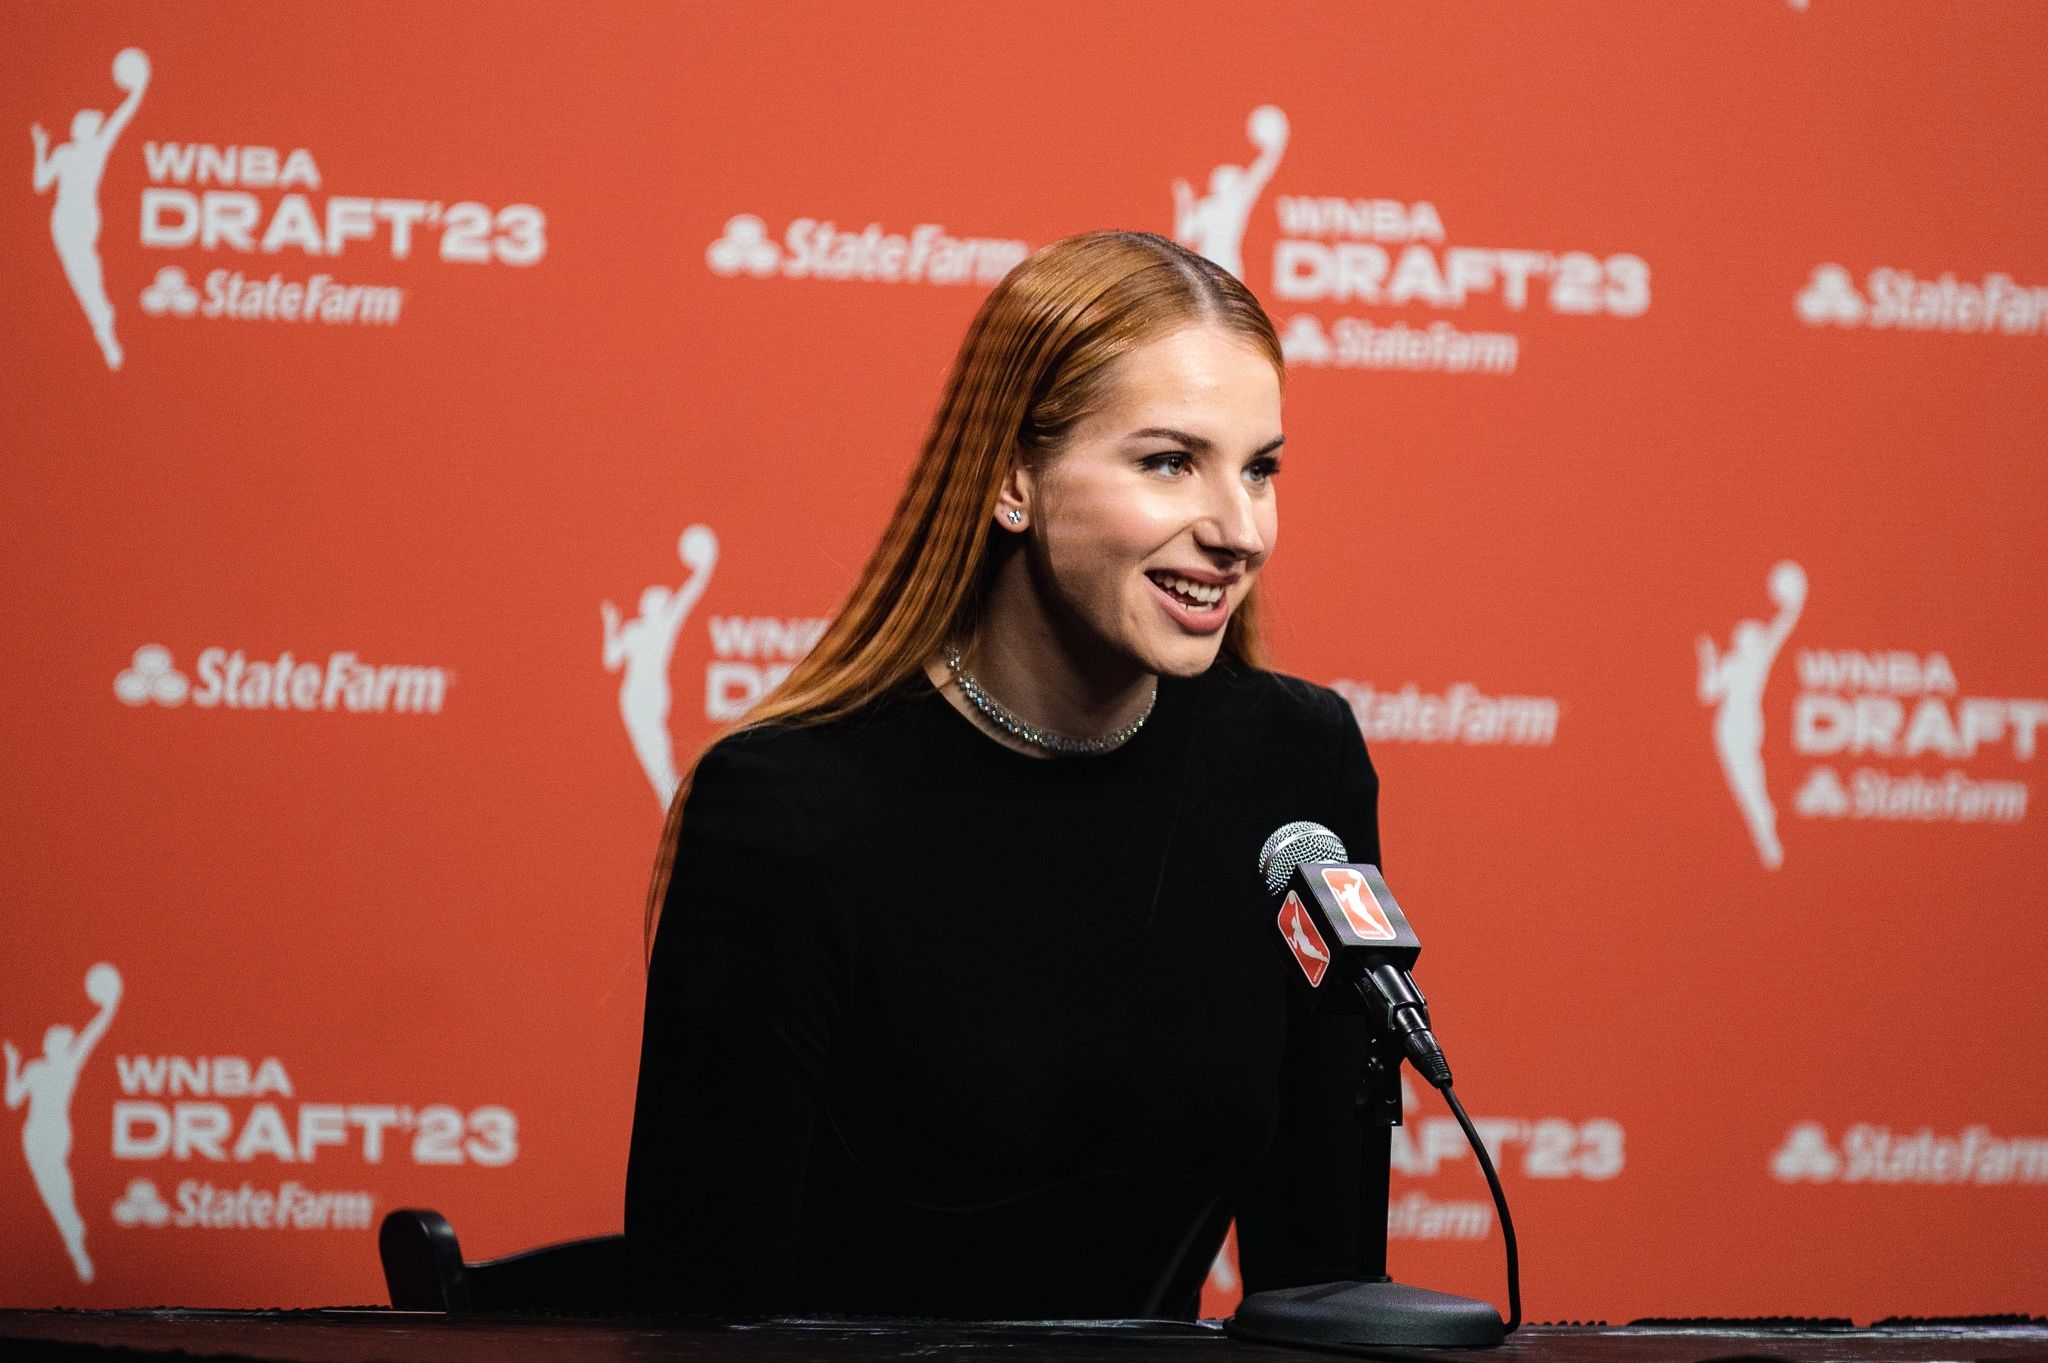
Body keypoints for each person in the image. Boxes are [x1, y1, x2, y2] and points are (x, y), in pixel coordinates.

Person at [625, 230, 1380, 1320]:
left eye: (1258, 468)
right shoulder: (790, 805)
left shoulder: (1293, 764)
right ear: (1011, 480)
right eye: (1168, 461)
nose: (1237, 529)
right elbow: (694, 1315)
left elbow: (1325, 1292)